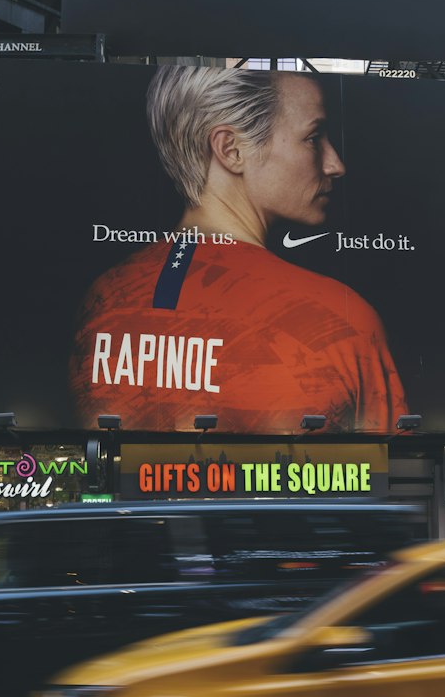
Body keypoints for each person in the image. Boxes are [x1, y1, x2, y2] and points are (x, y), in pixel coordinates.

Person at [69, 68, 408, 433]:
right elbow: (386, 468)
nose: (335, 164)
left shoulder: (105, 297)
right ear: (231, 150)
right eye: (313, 138)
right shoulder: (338, 320)